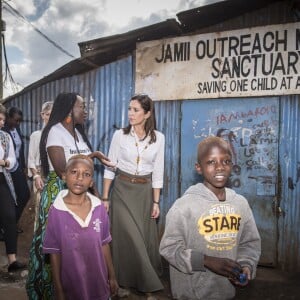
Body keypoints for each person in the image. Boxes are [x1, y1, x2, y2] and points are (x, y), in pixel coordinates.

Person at [26, 92, 113, 300]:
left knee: (83, 245)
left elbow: (83, 168)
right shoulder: (54, 132)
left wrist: (98, 196)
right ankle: (54, 291)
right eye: (81, 107)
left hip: (81, 190)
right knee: (59, 247)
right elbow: (63, 169)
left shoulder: (77, 132)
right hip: (60, 193)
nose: (85, 111)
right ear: (68, 110)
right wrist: (92, 157)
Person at [159, 136, 261, 300]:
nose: (220, 167)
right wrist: (205, 261)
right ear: (199, 168)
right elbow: (169, 248)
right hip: (191, 293)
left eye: (226, 161)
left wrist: (246, 266)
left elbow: (249, 243)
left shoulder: (240, 204)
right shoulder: (184, 206)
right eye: (211, 162)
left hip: (226, 292)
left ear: (232, 166)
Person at [102, 94, 165, 299]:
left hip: (145, 193)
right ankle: (147, 287)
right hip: (121, 191)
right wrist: (105, 197)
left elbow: (158, 171)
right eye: (129, 108)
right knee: (128, 236)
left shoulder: (159, 138)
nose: (130, 113)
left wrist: (156, 201)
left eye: (136, 110)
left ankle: (132, 282)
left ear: (147, 114)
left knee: (142, 238)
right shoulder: (120, 135)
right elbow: (110, 167)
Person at [43, 154, 118, 300]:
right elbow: (54, 252)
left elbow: (104, 244)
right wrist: (58, 289)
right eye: (74, 172)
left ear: (91, 182)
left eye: (86, 174)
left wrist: (112, 276)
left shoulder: (99, 208)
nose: (79, 178)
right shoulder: (57, 211)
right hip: (71, 284)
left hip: (98, 282)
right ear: (64, 176)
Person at [0, 104, 26, 272]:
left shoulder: (5, 137)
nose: (2, 123)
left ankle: (12, 260)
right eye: (0, 119)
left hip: (2, 177)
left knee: (9, 215)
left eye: (3, 119)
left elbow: (12, 160)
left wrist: (5, 162)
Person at [27, 101, 53, 231]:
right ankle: (38, 247)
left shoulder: (58, 135)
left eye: (52, 114)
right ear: (42, 115)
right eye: (47, 114)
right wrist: (36, 176)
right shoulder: (36, 136)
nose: (49, 117)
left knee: (54, 211)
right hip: (40, 174)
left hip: (55, 176)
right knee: (40, 209)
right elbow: (31, 160)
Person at [2, 106, 30, 223]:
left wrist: (23, 167)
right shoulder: (3, 131)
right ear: (8, 117)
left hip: (17, 167)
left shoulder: (16, 129)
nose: (18, 123)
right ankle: (8, 225)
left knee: (24, 195)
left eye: (19, 121)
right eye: (16, 120)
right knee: (13, 197)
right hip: (7, 169)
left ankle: (12, 223)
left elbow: (20, 148)